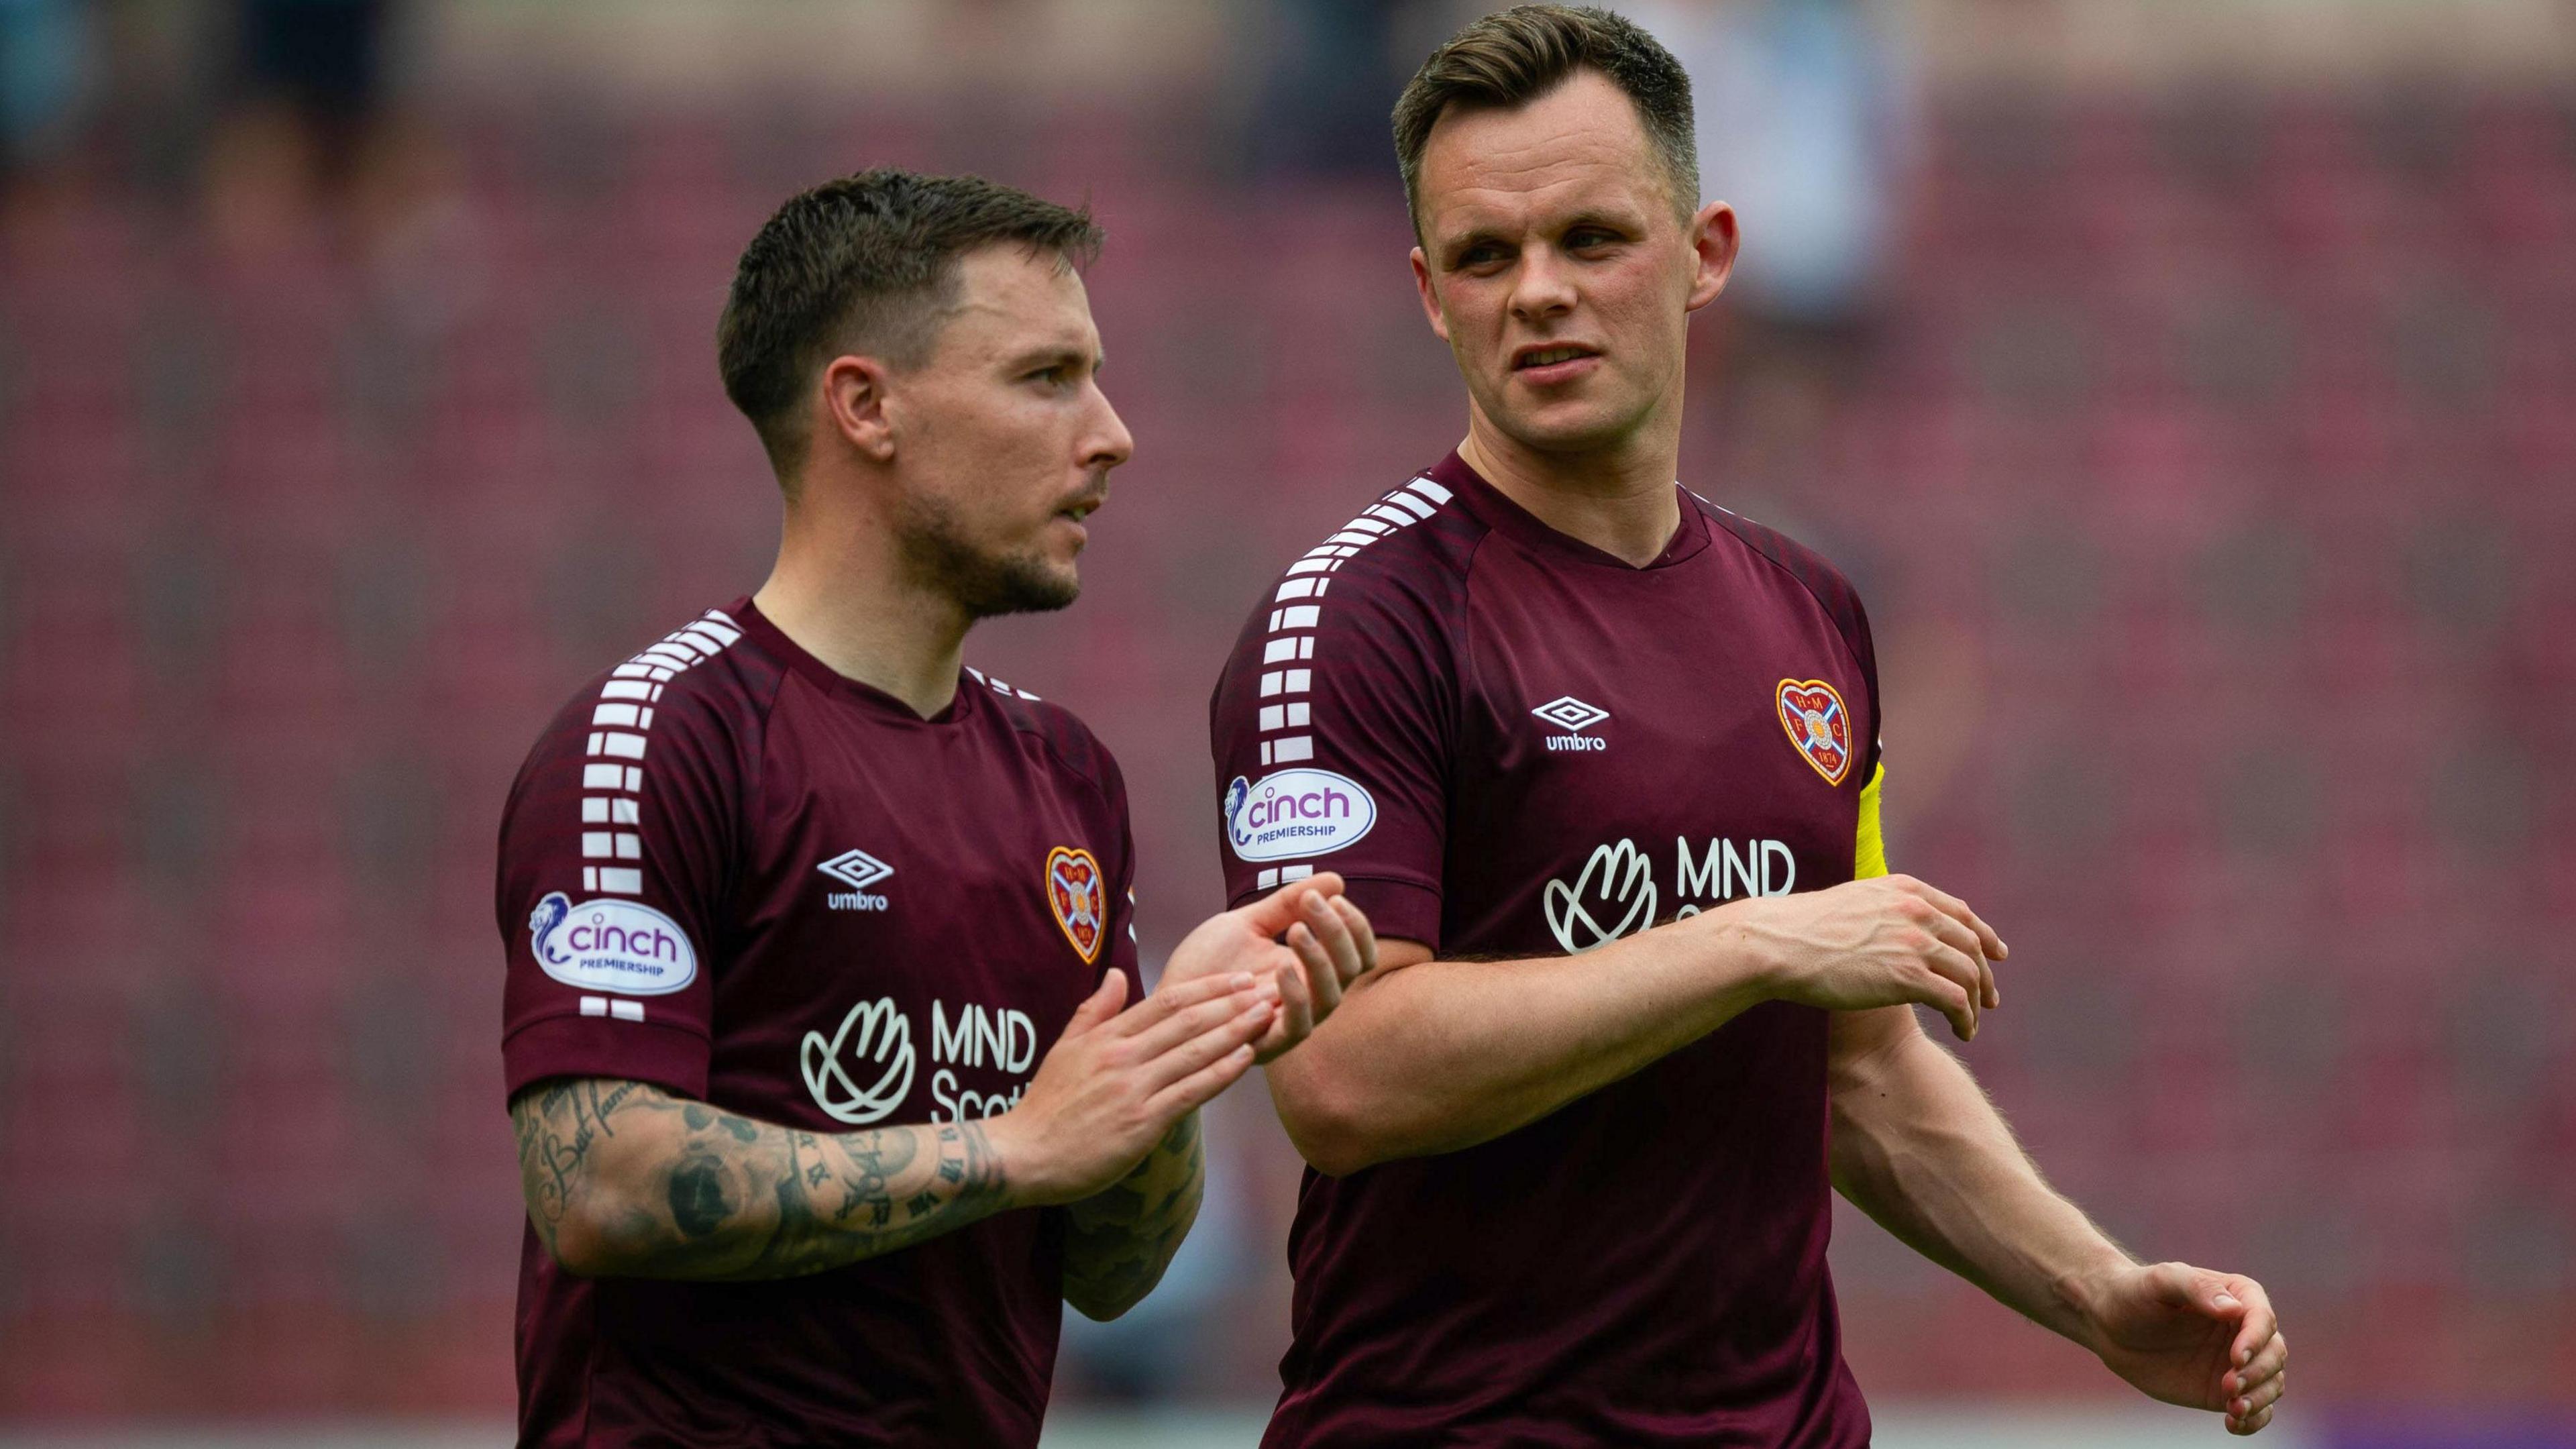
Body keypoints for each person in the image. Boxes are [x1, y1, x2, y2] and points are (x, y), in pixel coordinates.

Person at [1207, 7, 2287, 1444]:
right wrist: (1751, 939)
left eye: (1592, 239)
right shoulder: (1356, 621)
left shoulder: (1813, 617)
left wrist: (2095, 1292)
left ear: (1707, 252)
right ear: (1427, 291)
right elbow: (1341, 1079)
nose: (1539, 291)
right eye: (1485, 254)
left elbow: (1861, 1064)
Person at [499, 170, 1376, 1448]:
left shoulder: (1064, 775)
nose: (1113, 432)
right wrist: (1010, 1147)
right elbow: (602, 1185)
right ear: (866, 406)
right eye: (1045, 378)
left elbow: (1110, 1270)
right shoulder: (656, 742)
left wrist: (1181, 1048)